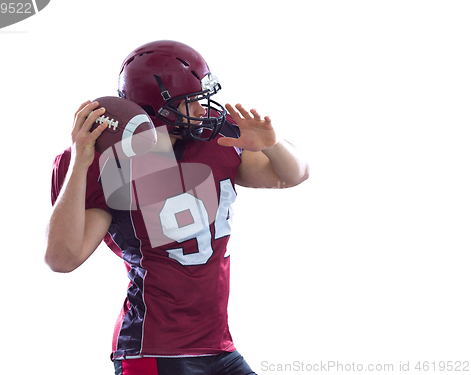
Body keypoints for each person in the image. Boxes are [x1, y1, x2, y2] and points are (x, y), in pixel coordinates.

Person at [46, 40, 309, 375]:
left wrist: (273, 146)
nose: (203, 110)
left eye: (203, 98)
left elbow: (293, 175)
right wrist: (79, 165)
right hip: (154, 351)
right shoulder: (110, 164)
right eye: (191, 102)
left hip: (218, 346)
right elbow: (62, 259)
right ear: (154, 109)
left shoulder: (217, 139)